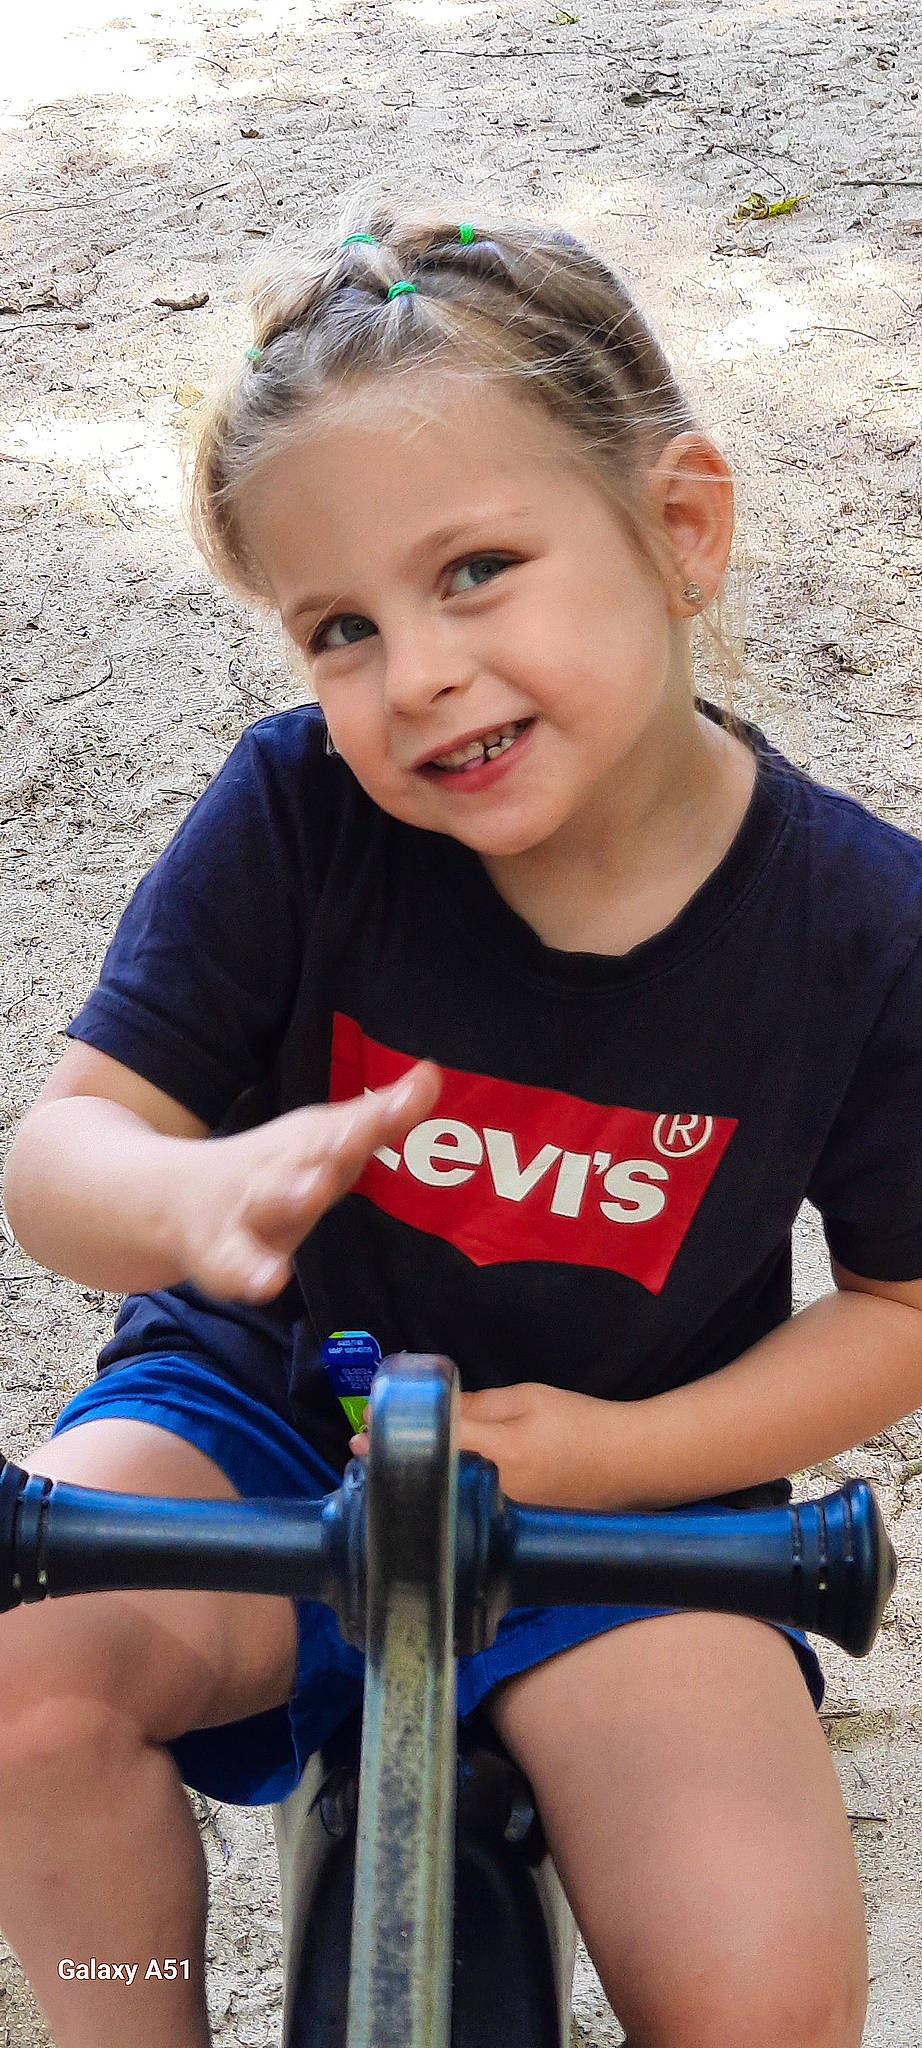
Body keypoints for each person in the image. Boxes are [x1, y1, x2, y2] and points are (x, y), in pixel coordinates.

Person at [2, 193, 921, 2048]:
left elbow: (899, 1312)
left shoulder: (860, 926)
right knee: (29, 1689)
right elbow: (58, 1160)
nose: (412, 671)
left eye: (476, 569)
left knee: (761, 1985)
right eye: (338, 624)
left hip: (617, 1509)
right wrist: (187, 1194)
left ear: (678, 532)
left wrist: (622, 1451)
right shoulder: (297, 817)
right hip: (252, 1424)